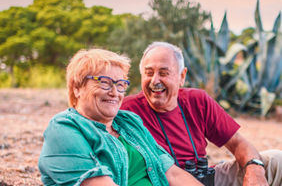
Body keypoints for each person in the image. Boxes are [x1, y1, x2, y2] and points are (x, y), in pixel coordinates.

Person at [121, 41, 282, 186]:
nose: (155, 81)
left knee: (276, 160)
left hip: (205, 177)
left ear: (181, 76)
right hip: (161, 181)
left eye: (163, 73)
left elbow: (238, 144)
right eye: (149, 73)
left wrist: (255, 171)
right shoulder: (125, 109)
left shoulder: (197, 100)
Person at [39, 48, 202, 186]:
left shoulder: (130, 122)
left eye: (120, 84)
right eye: (104, 82)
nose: (115, 92)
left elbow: (172, 173)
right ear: (77, 88)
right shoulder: (64, 129)